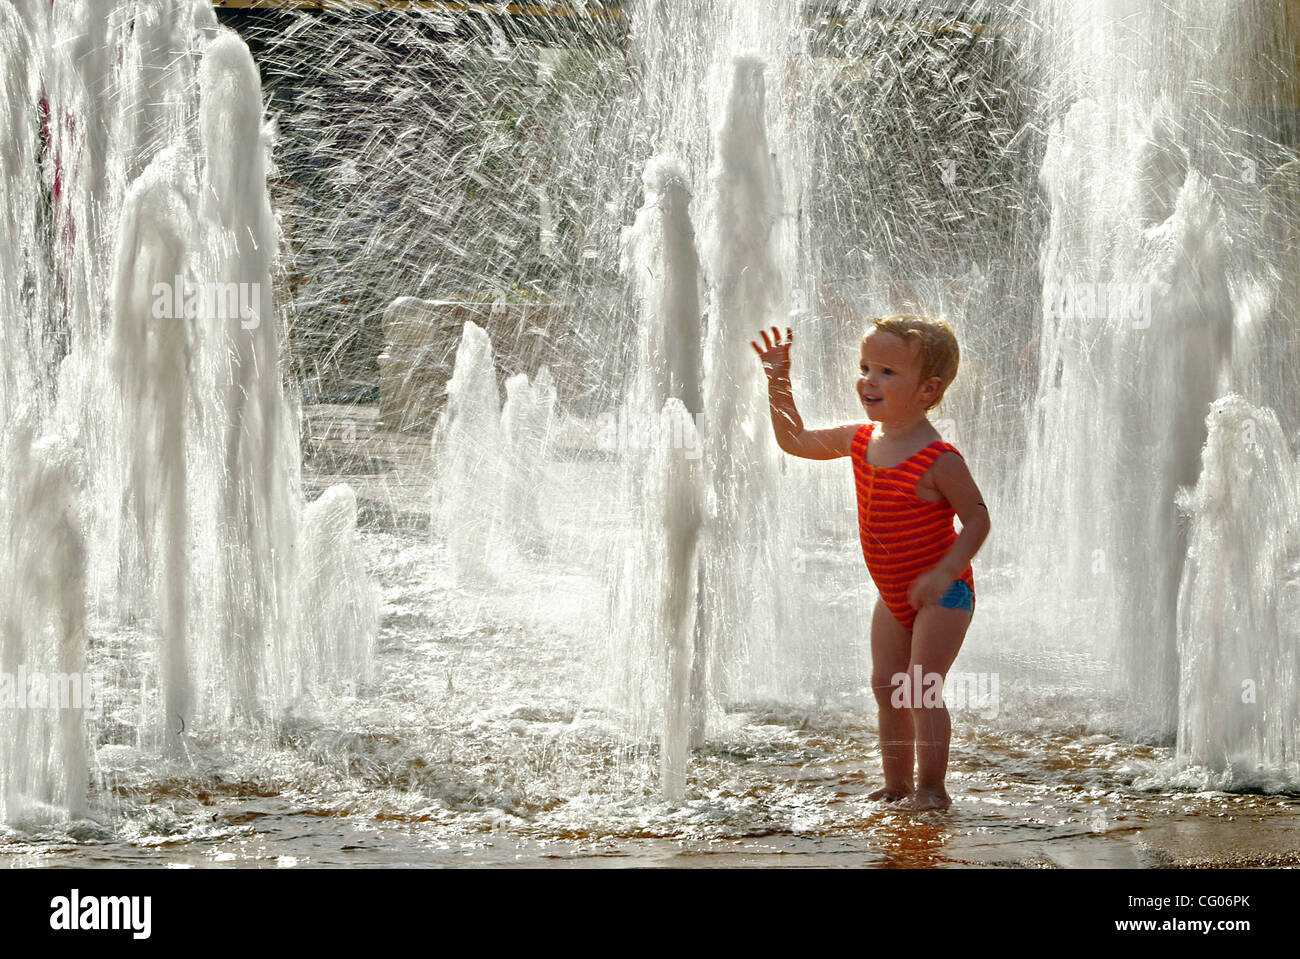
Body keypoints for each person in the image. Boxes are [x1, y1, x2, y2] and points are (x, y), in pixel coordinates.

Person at [751, 317, 990, 811]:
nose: (868, 380)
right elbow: (794, 440)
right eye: (864, 367)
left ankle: (932, 789)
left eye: (886, 371)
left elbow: (978, 520)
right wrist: (778, 380)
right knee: (887, 686)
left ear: (928, 390)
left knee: (921, 687)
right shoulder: (859, 439)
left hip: (944, 594)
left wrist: (945, 571)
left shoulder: (939, 459)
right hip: (893, 595)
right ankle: (897, 784)